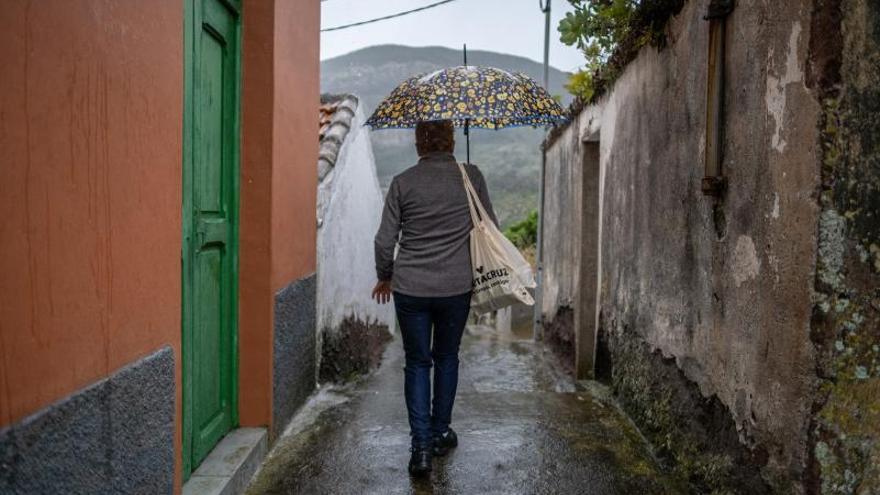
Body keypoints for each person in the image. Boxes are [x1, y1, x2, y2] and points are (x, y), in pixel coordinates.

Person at [372, 120, 498, 477]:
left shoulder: (401, 182)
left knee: (417, 363)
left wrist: (385, 276)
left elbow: (384, 241)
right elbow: (489, 228)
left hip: (410, 288)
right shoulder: (470, 176)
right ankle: (441, 431)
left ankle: (421, 449)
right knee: (446, 357)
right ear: (452, 141)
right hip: (455, 288)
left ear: (418, 145)